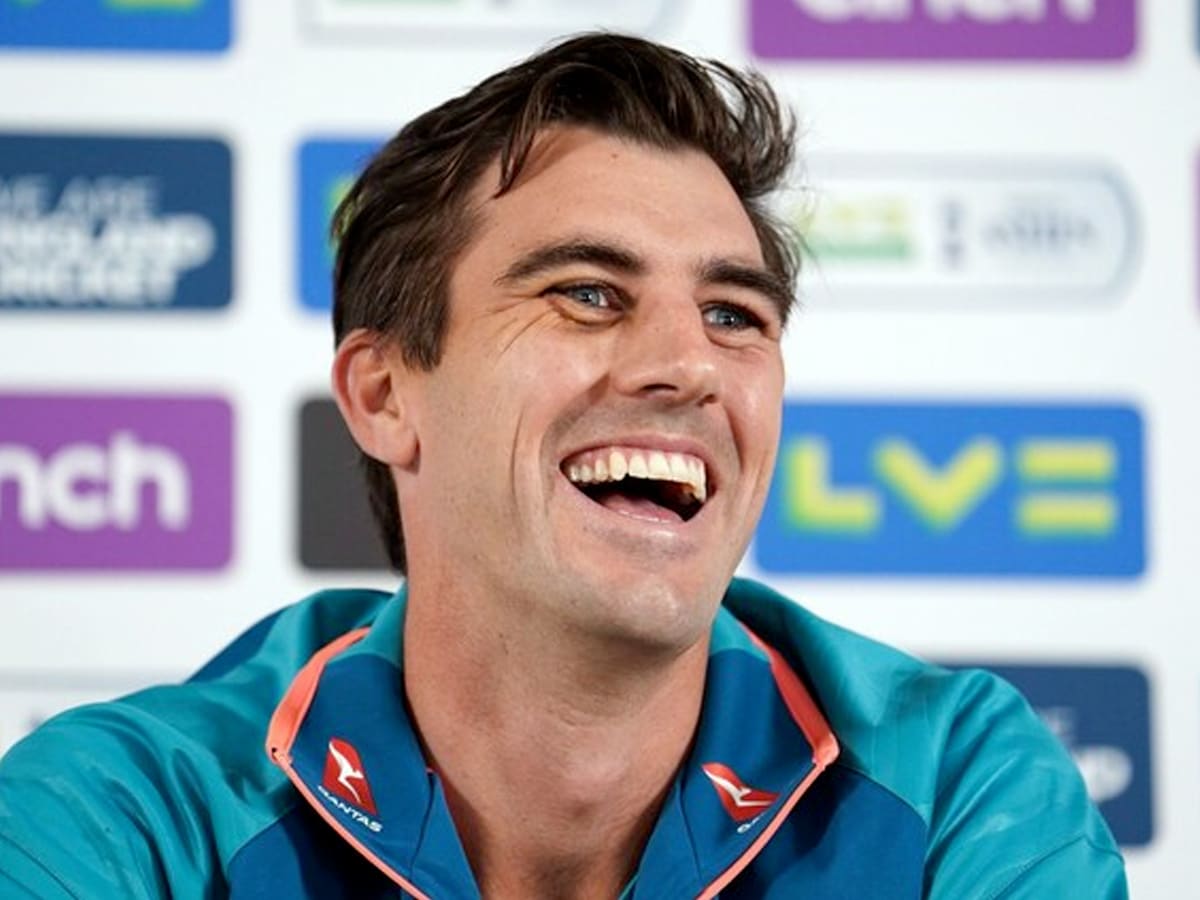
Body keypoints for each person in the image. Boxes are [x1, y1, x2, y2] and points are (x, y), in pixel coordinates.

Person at [0, 33, 1126, 899]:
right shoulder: (123, 817)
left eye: (735, 313)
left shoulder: (957, 789)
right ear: (386, 396)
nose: (687, 364)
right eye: (588, 293)